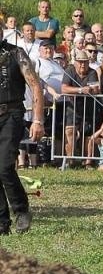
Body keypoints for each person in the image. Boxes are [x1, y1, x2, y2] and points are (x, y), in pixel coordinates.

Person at [0, 17, 46, 233]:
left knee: (5, 166)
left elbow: (35, 86)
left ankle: (21, 210)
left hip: (12, 114)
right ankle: (2, 222)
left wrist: (37, 120)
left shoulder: (16, 53)